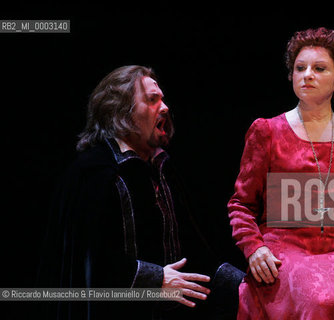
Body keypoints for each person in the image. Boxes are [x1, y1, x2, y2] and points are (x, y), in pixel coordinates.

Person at [228, 27, 334, 319]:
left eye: (319, 68)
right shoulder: (267, 131)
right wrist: (254, 248)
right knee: (317, 301)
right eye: (300, 68)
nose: (307, 74)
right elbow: (241, 204)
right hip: (286, 248)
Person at [38, 65, 211, 319]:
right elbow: (92, 265)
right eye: (152, 100)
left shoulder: (163, 169)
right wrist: (154, 281)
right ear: (122, 113)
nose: (165, 108)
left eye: (162, 99)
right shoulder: (93, 173)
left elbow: (196, 245)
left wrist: (242, 283)